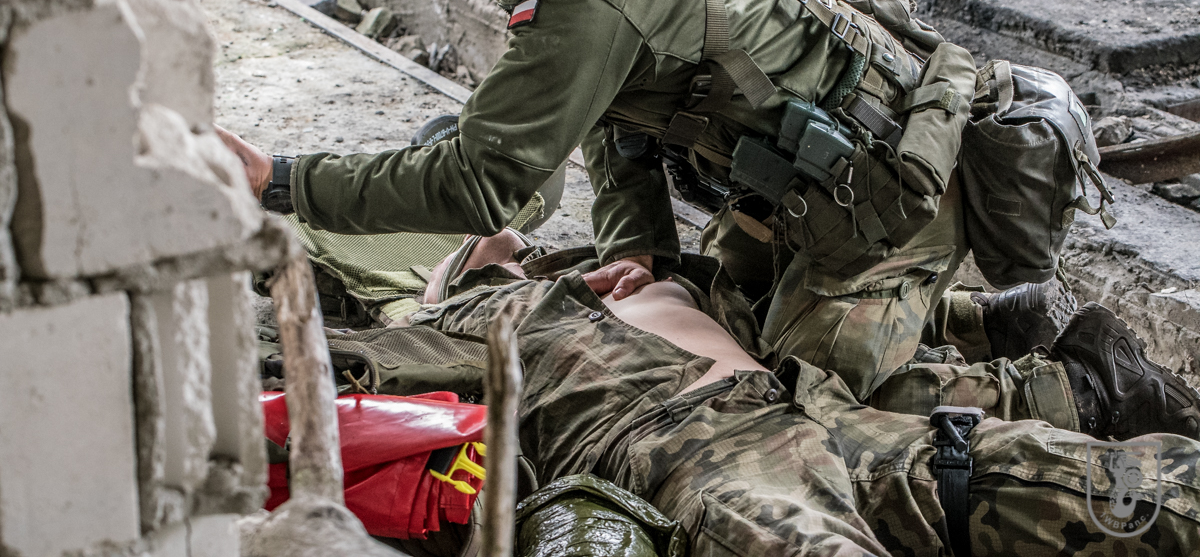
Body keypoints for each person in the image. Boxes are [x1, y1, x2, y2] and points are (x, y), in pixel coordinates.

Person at [215, 0, 1161, 433]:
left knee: (794, 409)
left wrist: (282, 180)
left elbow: (480, 184)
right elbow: (618, 122)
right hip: (796, 188)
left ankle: (1085, 385)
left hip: (890, 200)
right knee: (701, 313)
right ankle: (997, 324)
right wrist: (641, 253)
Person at [384, 235, 1200, 557]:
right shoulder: (455, 329)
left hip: (818, 414)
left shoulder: (639, 280)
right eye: (498, 252)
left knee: (1126, 495)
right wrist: (443, 298)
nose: (523, 246)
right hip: (702, 465)